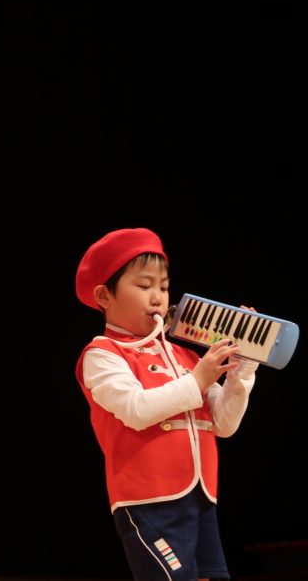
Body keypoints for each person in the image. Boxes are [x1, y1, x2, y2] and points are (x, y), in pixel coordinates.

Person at [75, 227, 258, 581]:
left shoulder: (186, 356)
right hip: (149, 501)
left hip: (201, 498)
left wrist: (242, 371)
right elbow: (137, 410)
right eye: (144, 286)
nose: (157, 297)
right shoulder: (102, 354)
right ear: (104, 295)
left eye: (163, 286)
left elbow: (224, 425)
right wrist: (198, 379)